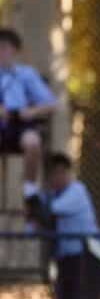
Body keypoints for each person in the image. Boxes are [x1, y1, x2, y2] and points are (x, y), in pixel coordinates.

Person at [42, 152, 99, 299]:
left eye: (60, 172)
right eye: (52, 174)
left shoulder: (77, 191)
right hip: (65, 257)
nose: (56, 178)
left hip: (83, 257)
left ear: (68, 172)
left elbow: (49, 209)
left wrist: (33, 198)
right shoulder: (55, 195)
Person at [0, 28, 57, 206]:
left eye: (4, 47)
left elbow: (51, 104)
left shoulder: (26, 74)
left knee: (32, 142)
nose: (1, 52)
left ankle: (30, 191)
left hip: (21, 124)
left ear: (15, 50)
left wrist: (31, 112)